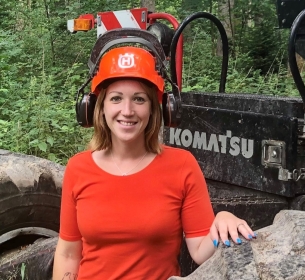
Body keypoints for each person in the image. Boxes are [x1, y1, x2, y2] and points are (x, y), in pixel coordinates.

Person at [52, 46, 255, 280]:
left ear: (155, 109)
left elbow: (200, 251)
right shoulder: (78, 168)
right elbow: (68, 254)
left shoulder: (181, 166)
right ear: (99, 107)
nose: (127, 111)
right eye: (116, 98)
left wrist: (222, 221)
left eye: (139, 99)